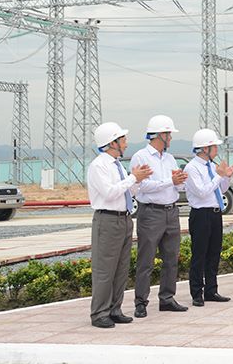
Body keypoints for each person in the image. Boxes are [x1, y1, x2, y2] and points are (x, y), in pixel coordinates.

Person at [87, 122, 152, 328]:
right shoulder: (99, 165)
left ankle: (114, 309)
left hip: (123, 218)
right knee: (105, 269)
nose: (125, 142)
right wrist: (133, 177)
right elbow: (109, 192)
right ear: (112, 143)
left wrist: (138, 181)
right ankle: (99, 313)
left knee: (121, 269)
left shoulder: (117, 165)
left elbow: (126, 192)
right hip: (107, 219)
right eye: (122, 139)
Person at [130, 115, 188, 318]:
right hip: (151, 212)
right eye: (169, 134)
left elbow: (175, 185)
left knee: (171, 258)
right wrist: (170, 181)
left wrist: (180, 181)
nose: (171, 138)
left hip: (171, 211)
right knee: (146, 259)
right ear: (160, 135)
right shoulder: (141, 157)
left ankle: (167, 298)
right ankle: (140, 302)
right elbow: (143, 186)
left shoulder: (170, 158)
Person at [183, 128, 233, 307]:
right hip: (201, 214)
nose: (216, 150)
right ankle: (197, 292)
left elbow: (220, 190)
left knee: (214, 253)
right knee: (199, 254)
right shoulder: (192, 167)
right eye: (214, 146)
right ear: (205, 148)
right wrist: (219, 176)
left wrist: (226, 177)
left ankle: (211, 290)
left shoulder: (212, 166)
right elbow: (202, 191)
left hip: (215, 214)